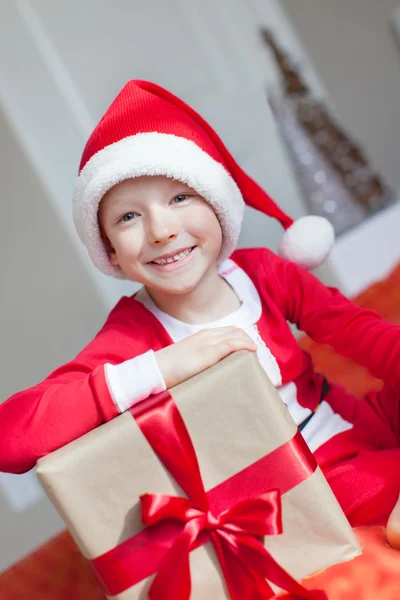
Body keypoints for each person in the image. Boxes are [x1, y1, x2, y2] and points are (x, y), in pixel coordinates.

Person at [1, 80, 400, 528]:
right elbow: (11, 437)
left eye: (179, 197)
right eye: (128, 216)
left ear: (218, 205)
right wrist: (159, 369)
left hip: (358, 428)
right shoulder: (134, 333)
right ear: (110, 249)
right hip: (301, 484)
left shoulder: (263, 274)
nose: (161, 230)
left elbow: (366, 335)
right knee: (330, 498)